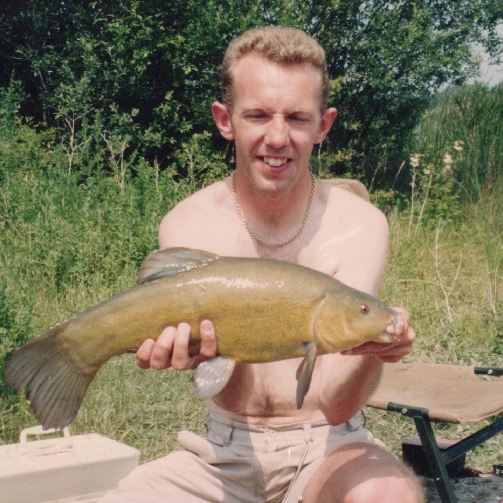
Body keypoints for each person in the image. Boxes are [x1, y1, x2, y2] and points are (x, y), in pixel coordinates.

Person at [102, 26, 423, 503]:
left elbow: (336, 405)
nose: (277, 138)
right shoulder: (189, 222)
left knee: (387, 494)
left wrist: (374, 350)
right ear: (225, 119)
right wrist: (183, 352)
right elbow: (219, 377)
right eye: (256, 115)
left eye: (297, 118)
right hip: (221, 454)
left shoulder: (360, 223)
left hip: (330, 447)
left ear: (323, 124)